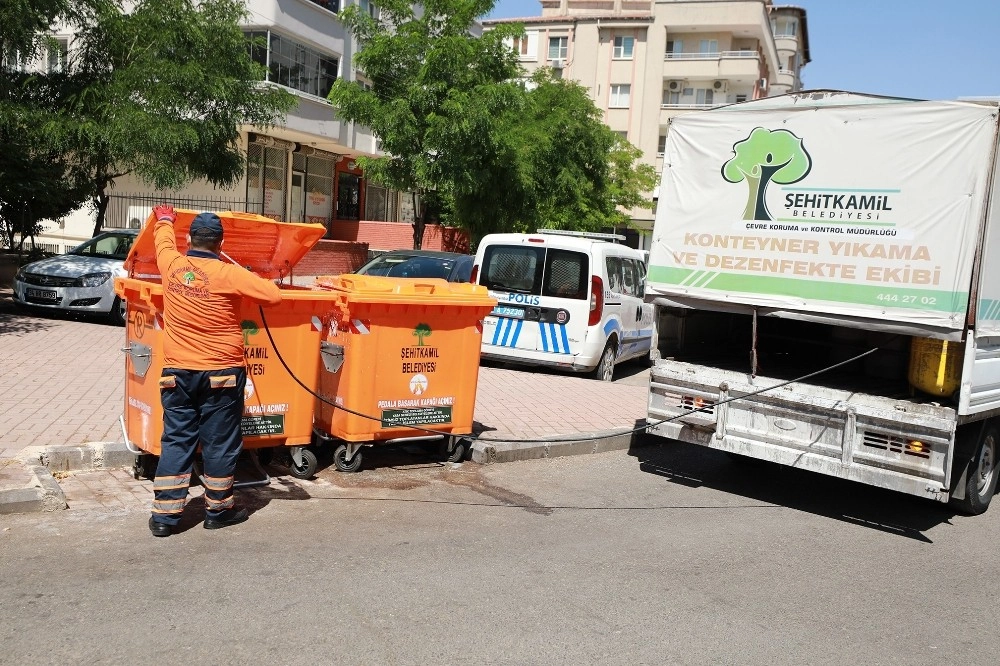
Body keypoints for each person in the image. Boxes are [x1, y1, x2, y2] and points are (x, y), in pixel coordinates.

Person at [148, 205, 282, 537]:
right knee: (219, 443)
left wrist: (165, 219)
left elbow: (163, 240)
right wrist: (241, 271)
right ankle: (218, 511)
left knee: (177, 441)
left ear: (190, 238)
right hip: (221, 374)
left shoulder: (173, 264)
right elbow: (273, 295)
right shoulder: (228, 273)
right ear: (220, 243)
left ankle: (166, 518)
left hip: (176, 374)